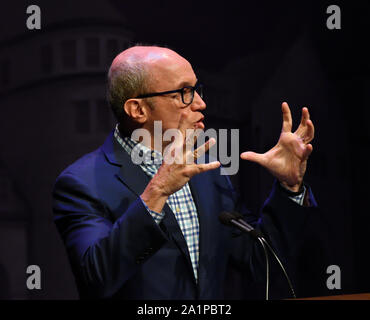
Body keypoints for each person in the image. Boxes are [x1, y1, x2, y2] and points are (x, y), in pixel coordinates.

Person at [52, 45, 328, 300]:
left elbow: (259, 260)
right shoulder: (81, 183)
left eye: (198, 89)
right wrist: (157, 191)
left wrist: (289, 187)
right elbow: (96, 278)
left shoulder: (207, 171)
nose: (200, 103)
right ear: (137, 109)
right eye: (184, 92)